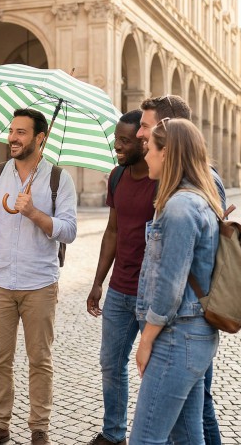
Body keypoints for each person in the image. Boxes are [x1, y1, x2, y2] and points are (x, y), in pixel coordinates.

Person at [0, 109, 78, 445]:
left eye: (21, 132)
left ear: (41, 137)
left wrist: (34, 213)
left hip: (40, 283)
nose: (12, 138)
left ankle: (39, 429)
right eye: (12, 131)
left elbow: (69, 230)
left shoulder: (59, 179)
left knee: (40, 360)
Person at [138, 95, 224, 445]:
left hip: (177, 336)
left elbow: (170, 285)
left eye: (151, 148)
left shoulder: (180, 207)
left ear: (167, 153)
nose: (145, 154)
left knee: (145, 438)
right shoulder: (198, 199)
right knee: (189, 437)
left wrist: (146, 340)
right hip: (193, 335)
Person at [86, 110, 156, 445]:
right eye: (116, 139)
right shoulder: (116, 177)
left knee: (153, 369)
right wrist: (98, 282)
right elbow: (112, 231)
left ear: (143, 142)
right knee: (110, 364)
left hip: (151, 294)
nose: (117, 146)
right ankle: (114, 435)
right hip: (118, 290)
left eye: (125, 141)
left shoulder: (161, 180)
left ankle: (151, 436)